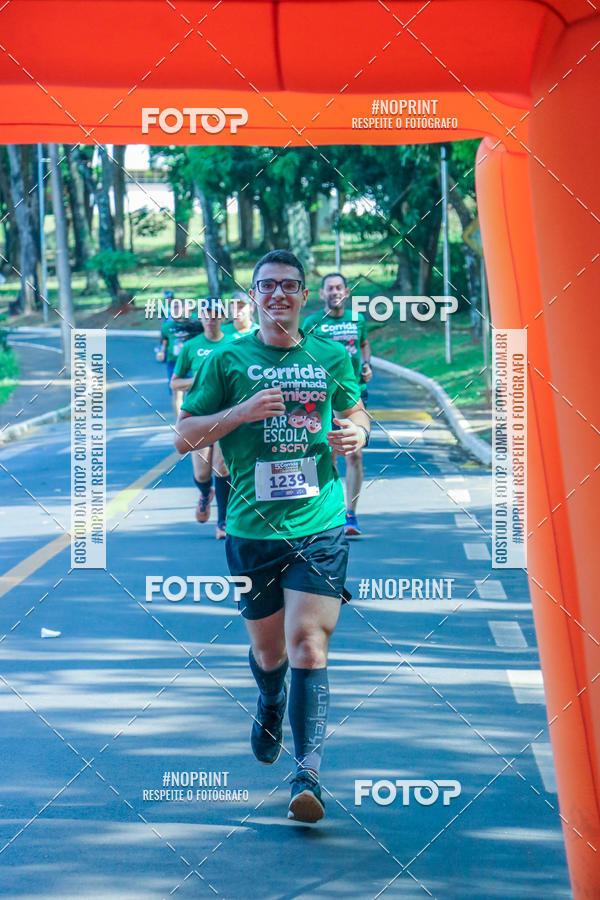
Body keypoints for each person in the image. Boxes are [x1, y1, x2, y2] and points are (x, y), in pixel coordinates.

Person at [175, 249, 370, 823]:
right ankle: (270, 698)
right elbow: (184, 437)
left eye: (290, 286)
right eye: (267, 286)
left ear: (304, 295)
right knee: (269, 650)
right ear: (254, 296)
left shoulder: (329, 354)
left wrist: (356, 436)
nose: (279, 295)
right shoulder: (226, 358)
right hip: (249, 529)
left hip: (320, 523)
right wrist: (239, 413)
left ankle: (307, 774)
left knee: (309, 641)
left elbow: (356, 416)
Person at [303, 273, 372, 535]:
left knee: (354, 454)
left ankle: (351, 514)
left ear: (346, 292)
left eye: (339, 287)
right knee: (325, 455)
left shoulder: (357, 319)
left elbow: (364, 346)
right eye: (329, 288)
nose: (334, 292)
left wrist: (367, 366)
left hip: (352, 395)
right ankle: (324, 512)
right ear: (321, 294)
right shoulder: (312, 323)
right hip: (322, 398)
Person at [170, 299, 235, 539]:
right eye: (206, 314)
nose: (210, 318)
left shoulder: (233, 343)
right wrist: (197, 380)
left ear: (222, 318)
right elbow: (174, 383)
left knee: (221, 466)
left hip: (225, 415)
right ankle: (204, 492)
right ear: (200, 317)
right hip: (199, 417)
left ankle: (223, 521)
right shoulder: (191, 347)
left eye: (215, 314)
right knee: (201, 473)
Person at [156, 291, 202, 418]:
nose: (175, 310)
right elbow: (164, 340)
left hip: (189, 362)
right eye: (173, 307)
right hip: (173, 361)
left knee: (189, 390)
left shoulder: (192, 324)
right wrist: (161, 352)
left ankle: (190, 418)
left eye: (178, 307)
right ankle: (179, 422)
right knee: (176, 391)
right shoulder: (167, 326)